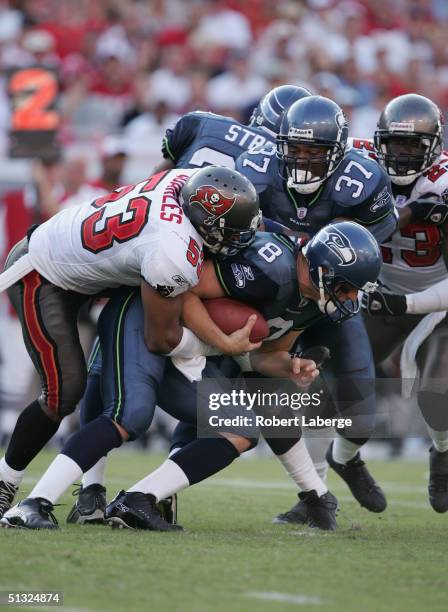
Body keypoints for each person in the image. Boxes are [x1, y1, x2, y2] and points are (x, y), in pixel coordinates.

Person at [67, 84, 313, 518]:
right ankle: (127, 494)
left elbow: (157, 181)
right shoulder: (270, 169)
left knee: (108, 367)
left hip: (160, 247)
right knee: (139, 381)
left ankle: (99, 490)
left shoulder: (203, 124)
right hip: (188, 261)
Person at [0, 165, 261, 524]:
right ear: (208, 225)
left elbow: (163, 173)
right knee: (64, 392)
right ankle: (6, 484)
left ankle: (91, 492)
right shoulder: (172, 249)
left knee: (104, 372)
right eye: (230, 232)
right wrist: (220, 345)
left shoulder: (185, 180)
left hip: (91, 268)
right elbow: (160, 338)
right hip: (43, 272)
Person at [101, 220, 381, 532]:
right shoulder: (270, 267)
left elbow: (264, 356)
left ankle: (316, 495)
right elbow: (187, 291)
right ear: (322, 269)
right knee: (232, 428)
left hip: (221, 348)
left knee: (262, 403)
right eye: (345, 287)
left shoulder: (313, 297)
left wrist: (290, 364)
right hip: (177, 338)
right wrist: (223, 342)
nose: (348, 298)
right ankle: (110, 495)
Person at [236, 95, 397, 517]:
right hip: (271, 296)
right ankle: (312, 496)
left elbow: (365, 249)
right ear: (280, 144)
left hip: (329, 301)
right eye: (296, 150)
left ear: (338, 152)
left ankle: (344, 459)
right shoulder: (256, 170)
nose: (304, 160)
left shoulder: (363, 181)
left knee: (360, 411)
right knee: (260, 393)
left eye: (315, 151)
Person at [355, 94, 448, 513]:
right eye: (395, 144)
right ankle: (329, 475)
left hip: (438, 296)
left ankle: (442, 452)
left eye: (413, 146)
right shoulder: (361, 171)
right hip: (381, 291)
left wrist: (406, 305)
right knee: (334, 385)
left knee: (437, 393)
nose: (403, 154)